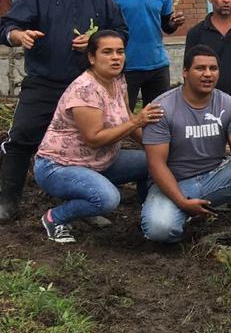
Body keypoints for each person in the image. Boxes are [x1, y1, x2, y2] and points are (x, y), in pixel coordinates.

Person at [0, 0, 128, 221]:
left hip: (86, 87)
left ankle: (86, 202)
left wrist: (96, 39)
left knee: (85, 145)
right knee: (22, 137)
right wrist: (19, 35)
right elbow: (6, 26)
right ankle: (7, 201)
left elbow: (120, 31)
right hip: (44, 82)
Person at [141, 46, 231, 244]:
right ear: (185, 72)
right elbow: (156, 165)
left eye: (213, 68)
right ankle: (184, 218)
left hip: (215, 177)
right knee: (159, 230)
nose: (208, 74)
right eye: (200, 68)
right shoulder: (162, 108)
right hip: (174, 183)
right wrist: (183, 203)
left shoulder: (229, 105)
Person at [33, 30, 161, 243]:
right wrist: (137, 121)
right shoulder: (85, 89)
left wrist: (154, 146)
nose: (115, 57)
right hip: (59, 167)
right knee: (107, 199)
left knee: (153, 162)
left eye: (120, 52)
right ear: (92, 57)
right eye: (107, 52)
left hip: (100, 161)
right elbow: (94, 138)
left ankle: (150, 215)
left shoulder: (117, 80)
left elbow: (127, 117)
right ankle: (55, 218)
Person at [97, 0, 185, 107]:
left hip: (157, 64)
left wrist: (173, 23)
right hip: (122, 66)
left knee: (159, 118)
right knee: (119, 118)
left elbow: (166, 26)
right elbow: (99, 27)